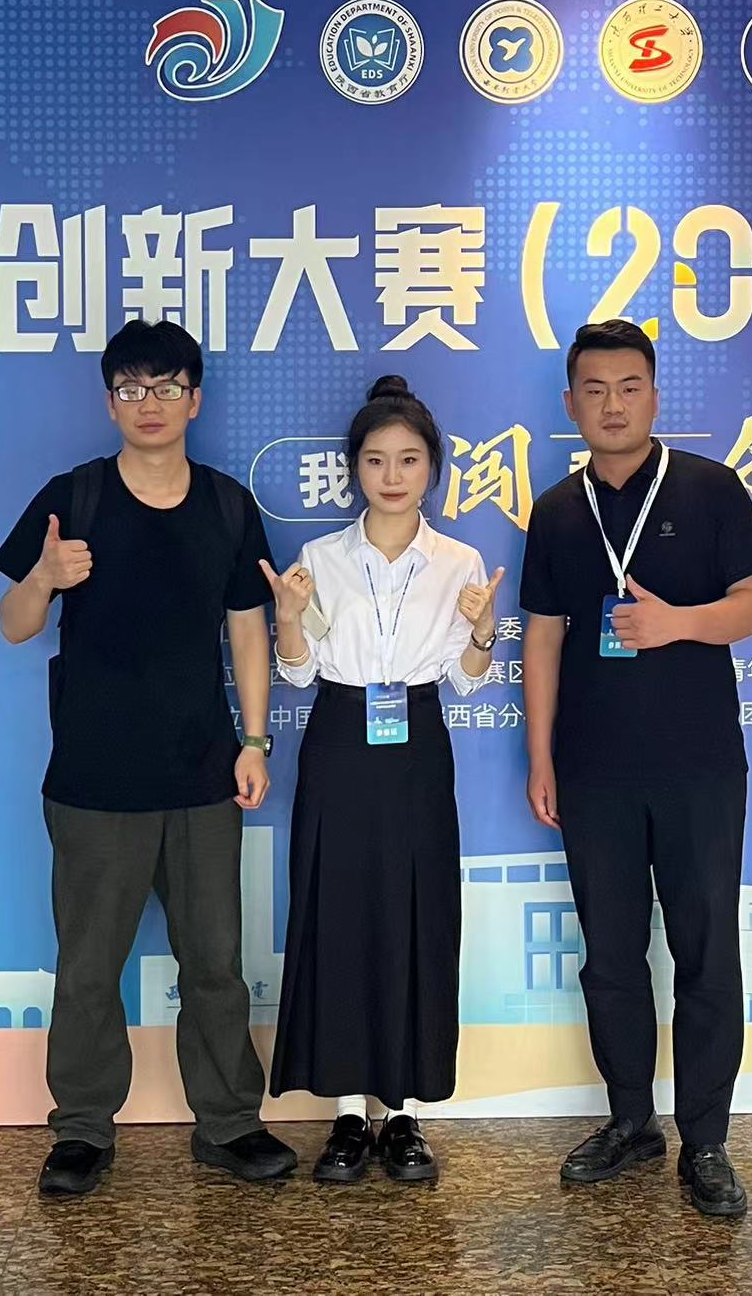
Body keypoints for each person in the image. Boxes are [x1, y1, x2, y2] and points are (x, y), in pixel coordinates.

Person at [0, 319, 297, 1198]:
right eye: (131, 387)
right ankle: (83, 1128)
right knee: (89, 965)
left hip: (202, 772)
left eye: (167, 387)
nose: (149, 403)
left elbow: (249, 629)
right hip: (93, 778)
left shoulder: (226, 505)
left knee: (215, 962)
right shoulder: (76, 497)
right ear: (110, 401)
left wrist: (253, 740)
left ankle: (229, 1121)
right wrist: (45, 576)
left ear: (195, 400)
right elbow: (13, 625)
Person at [519, 320, 752, 1218]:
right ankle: (631, 1120)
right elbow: (542, 635)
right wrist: (540, 754)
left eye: (629, 387)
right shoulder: (556, 510)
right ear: (571, 403)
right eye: (594, 389)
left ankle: (707, 1140)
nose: (613, 404)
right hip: (594, 770)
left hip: (700, 766)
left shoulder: (709, 487)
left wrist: (677, 623)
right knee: (612, 954)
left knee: (706, 952)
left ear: (655, 396)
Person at [262, 375, 504, 1185]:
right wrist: (288, 620)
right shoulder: (320, 559)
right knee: (338, 912)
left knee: (414, 913)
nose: (391, 474)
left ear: (432, 467)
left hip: (417, 743)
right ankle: (344, 1115)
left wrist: (482, 631)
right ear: (353, 468)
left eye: (408, 458)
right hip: (339, 736)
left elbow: (466, 679)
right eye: (374, 459)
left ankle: (401, 1114)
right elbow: (299, 674)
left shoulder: (459, 560)